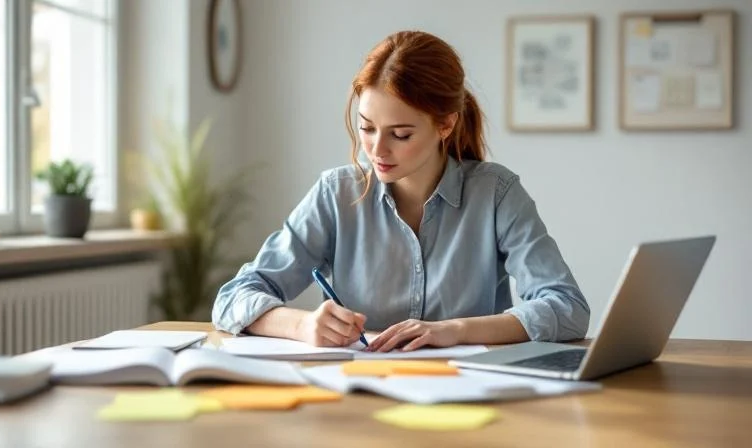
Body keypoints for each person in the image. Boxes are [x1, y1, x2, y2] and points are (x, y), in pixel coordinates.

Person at [212, 30, 589, 352]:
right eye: (367, 127)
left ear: (445, 125)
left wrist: (455, 331)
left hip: (465, 405)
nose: (376, 149)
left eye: (401, 134)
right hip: (355, 404)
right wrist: (303, 325)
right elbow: (233, 298)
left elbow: (567, 307)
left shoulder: (497, 194)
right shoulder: (335, 194)